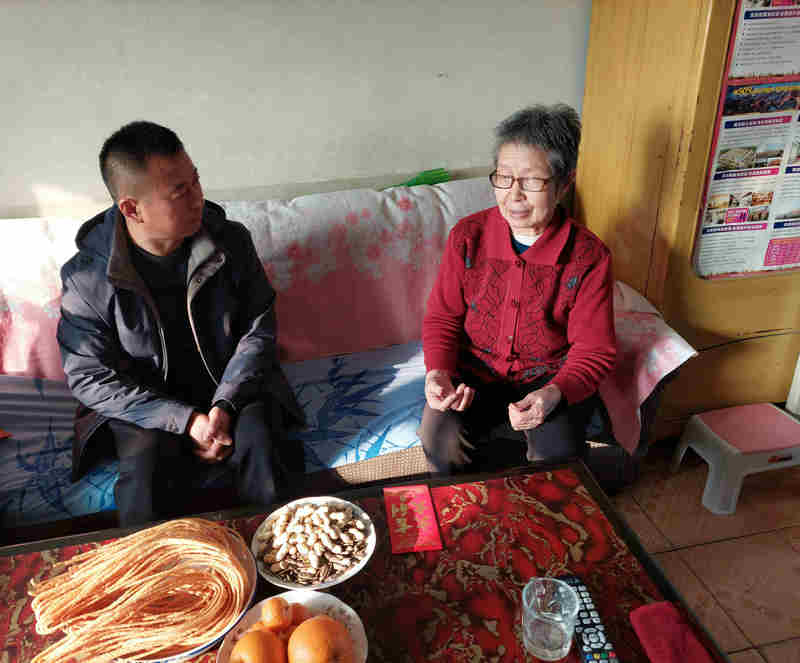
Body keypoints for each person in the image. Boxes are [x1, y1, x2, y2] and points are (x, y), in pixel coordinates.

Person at [57, 121, 304, 526]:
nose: (198, 198)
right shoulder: (86, 278)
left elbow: (257, 331)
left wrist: (224, 405)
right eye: (179, 192)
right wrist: (186, 421)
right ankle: (159, 565)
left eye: (196, 181)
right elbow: (90, 377)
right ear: (132, 209)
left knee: (261, 442)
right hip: (146, 405)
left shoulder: (230, 241)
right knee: (146, 472)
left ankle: (279, 556)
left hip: (230, 386)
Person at [421, 103, 616, 473]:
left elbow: (594, 350)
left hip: (549, 381)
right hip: (473, 376)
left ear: (563, 184)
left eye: (531, 181)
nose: (514, 195)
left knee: (556, 461)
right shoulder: (467, 237)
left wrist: (554, 392)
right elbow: (443, 318)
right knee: (439, 442)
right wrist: (438, 372)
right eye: (504, 177)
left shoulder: (589, 256)